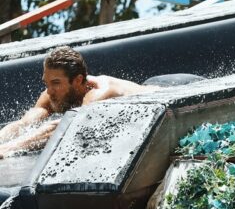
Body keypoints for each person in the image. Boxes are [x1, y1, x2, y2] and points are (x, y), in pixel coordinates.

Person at [0, 46, 160, 158]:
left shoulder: (101, 93)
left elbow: (66, 127)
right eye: (46, 83)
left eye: (56, 83)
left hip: (159, 94)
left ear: (77, 80)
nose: (49, 91)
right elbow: (23, 124)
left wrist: (9, 148)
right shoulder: (52, 93)